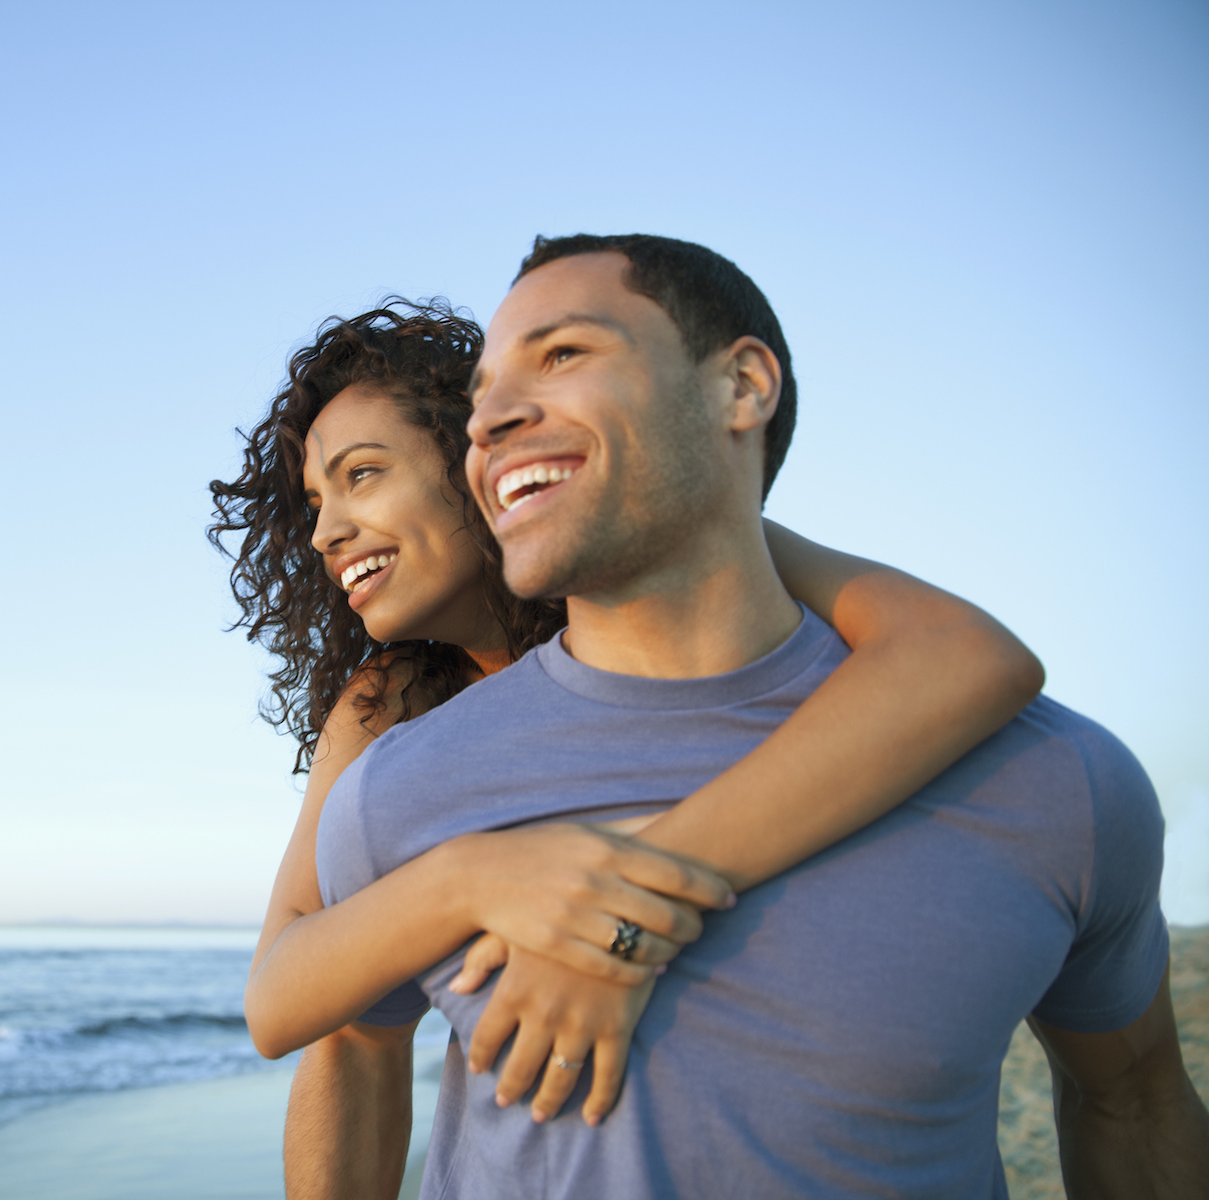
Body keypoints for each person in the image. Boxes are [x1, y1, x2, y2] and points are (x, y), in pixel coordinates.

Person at [300, 234, 1207, 1197]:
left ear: (743, 386)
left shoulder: (1053, 779)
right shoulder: (397, 772)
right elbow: (331, 1025)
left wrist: (628, 918)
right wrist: (462, 875)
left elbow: (1136, 1099)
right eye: (481, 396)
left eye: (564, 353)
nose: (491, 421)